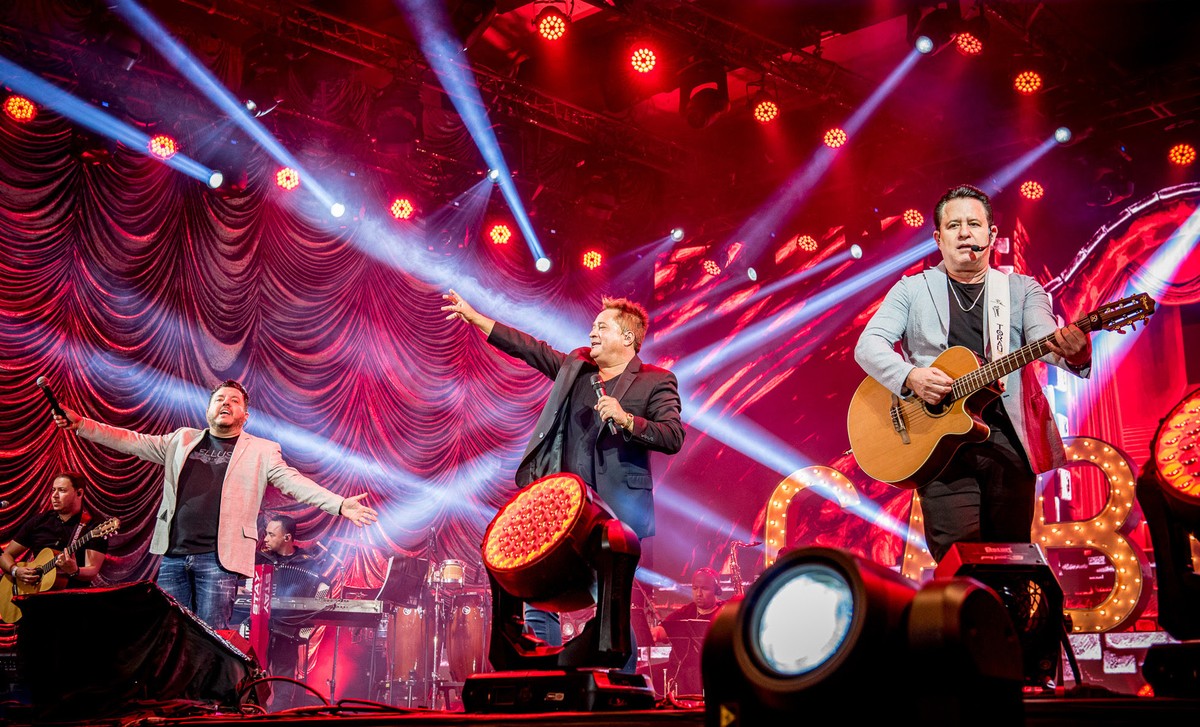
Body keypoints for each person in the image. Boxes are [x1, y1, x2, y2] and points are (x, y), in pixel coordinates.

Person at [854, 184, 1092, 563]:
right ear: (938, 238)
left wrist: (1076, 352)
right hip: (941, 446)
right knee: (958, 558)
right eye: (954, 226)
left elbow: (1046, 340)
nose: (965, 232)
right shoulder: (912, 289)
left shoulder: (1020, 289)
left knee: (1012, 558)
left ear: (991, 235)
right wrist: (911, 378)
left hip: (1009, 441)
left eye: (974, 224)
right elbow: (868, 346)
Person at [441, 291, 685, 657]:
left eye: (602, 327)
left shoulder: (656, 380)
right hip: (565, 511)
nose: (592, 334)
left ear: (628, 338)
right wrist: (477, 319)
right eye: (592, 327)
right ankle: (548, 683)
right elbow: (531, 348)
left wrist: (627, 418)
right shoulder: (578, 369)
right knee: (539, 594)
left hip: (616, 514)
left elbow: (672, 435)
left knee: (610, 608)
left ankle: (622, 692)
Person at [51, 379, 378, 630]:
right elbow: (131, 441)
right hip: (174, 555)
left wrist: (339, 505)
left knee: (211, 634)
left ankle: (210, 708)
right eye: (219, 398)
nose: (225, 403)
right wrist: (82, 424)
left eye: (234, 401)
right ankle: (178, 705)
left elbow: (295, 482)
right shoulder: (180, 440)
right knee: (171, 631)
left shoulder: (261, 450)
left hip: (218, 558)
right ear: (208, 409)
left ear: (244, 416)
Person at [1, 473, 108, 591]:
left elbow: (92, 571)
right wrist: (16, 571)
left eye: (62, 490)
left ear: (79, 493)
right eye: (53, 490)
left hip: (72, 599)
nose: (54, 496)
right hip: (32, 597)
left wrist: (75, 571)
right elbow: (5, 555)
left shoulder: (93, 527)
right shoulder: (39, 521)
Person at [649, 568, 723, 697]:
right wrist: (653, 633)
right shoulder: (685, 611)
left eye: (704, 589)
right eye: (695, 588)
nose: (698, 593)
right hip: (678, 672)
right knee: (642, 675)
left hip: (709, 673)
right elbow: (662, 631)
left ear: (716, 590)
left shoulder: (725, 613)